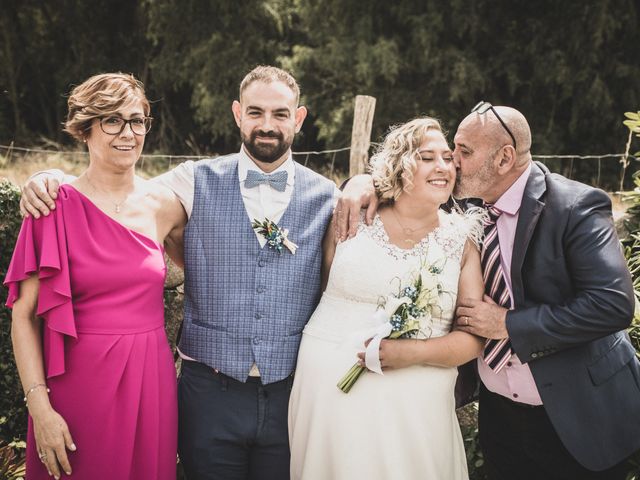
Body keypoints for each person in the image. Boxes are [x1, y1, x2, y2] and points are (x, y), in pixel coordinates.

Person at [19, 65, 338, 480]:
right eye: (255, 112)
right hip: (199, 391)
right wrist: (47, 176)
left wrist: (363, 180)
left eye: (136, 121)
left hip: (285, 391)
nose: (128, 132)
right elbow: (104, 189)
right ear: (238, 114)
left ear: (298, 118)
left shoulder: (330, 196)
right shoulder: (189, 182)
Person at [338, 103, 640, 479]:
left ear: (504, 158)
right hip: (501, 421)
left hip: (577, 417)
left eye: (463, 152)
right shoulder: (463, 197)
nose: (452, 164)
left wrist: (509, 324)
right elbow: (405, 186)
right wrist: (359, 183)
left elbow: (612, 305)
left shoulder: (574, 207)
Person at [5, 73, 186, 479]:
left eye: (137, 121)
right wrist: (40, 408)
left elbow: (218, 266)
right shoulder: (51, 205)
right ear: (84, 129)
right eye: (112, 121)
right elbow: (23, 316)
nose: (128, 133)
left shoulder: (165, 206)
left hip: (150, 383)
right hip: (76, 386)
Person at [289, 117, 486, 479]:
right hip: (330, 390)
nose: (443, 166)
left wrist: (410, 353)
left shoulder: (462, 241)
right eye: (427, 157)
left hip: (417, 401)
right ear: (399, 164)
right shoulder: (352, 218)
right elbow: (319, 289)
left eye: (448, 158)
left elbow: (473, 338)